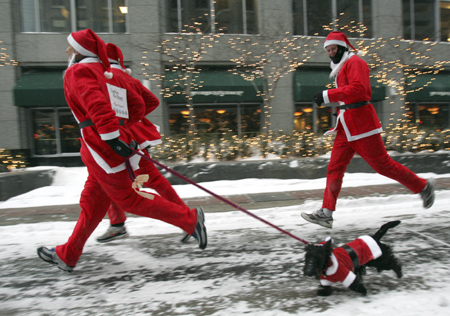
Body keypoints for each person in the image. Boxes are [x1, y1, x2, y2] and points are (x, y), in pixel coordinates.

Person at [37, 29, 206, 272]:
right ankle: (68, 254)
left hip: (101, 144)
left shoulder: (79, 70)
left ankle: (190, 220)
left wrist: (112, 135)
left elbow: (97, 105)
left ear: (79, 50)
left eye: (70, 47)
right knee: (92, 202)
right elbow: (139, 104)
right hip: (109, 141)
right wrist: (124, 126)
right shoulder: (105, 73)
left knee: (129, 199)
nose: (67, 51)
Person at [301, 31, 435, 229]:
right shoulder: (342, 67)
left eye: (333, 49)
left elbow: (360, 90)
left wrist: (328, 95)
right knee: (334, 167)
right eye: (328, 50)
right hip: (345, 126)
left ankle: (423, 187)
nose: (330, 53)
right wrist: (336, 104)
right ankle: (326, 213)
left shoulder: (356, 63)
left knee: (383, 166)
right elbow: (349, 95)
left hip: (363, 127)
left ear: (342, 47)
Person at [96, 43, 191, 243]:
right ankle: (118, 224)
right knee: (131, 180)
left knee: (115, 179)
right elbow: (152, 101)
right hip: (135, 136)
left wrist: (123, 123)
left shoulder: (103, 77)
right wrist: (135, 119)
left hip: (118, 137)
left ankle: (188, 220)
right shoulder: (128, 78)